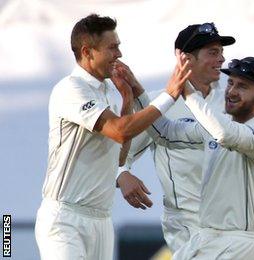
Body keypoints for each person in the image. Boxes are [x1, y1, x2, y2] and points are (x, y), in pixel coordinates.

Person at [35, 13, 191, 260]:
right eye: (112, 47)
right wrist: (169, 95)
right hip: (65, 219)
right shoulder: (71, 89)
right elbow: (120, 130)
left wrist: (127, 101)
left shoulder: (109, 89)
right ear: (88, 52)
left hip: (101, 220)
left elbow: (118, 156)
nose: (119, 54)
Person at [132, 56, 254, 259]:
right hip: (205, 238)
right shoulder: (217, 126)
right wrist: (137, 91)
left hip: (238, 243)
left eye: (242, 86)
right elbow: (164, 133)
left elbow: (225, 134)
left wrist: (188, 92)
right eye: (230, 83)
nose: (232, 92)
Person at [116, 22, 234, 253]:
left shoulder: (233, 103)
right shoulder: (160, 104)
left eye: (221, 52)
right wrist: (122, 174)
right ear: (186, 59)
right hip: (187, 225)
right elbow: (120, 152)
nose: (221, 59)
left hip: (231, 224)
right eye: (213, 52)